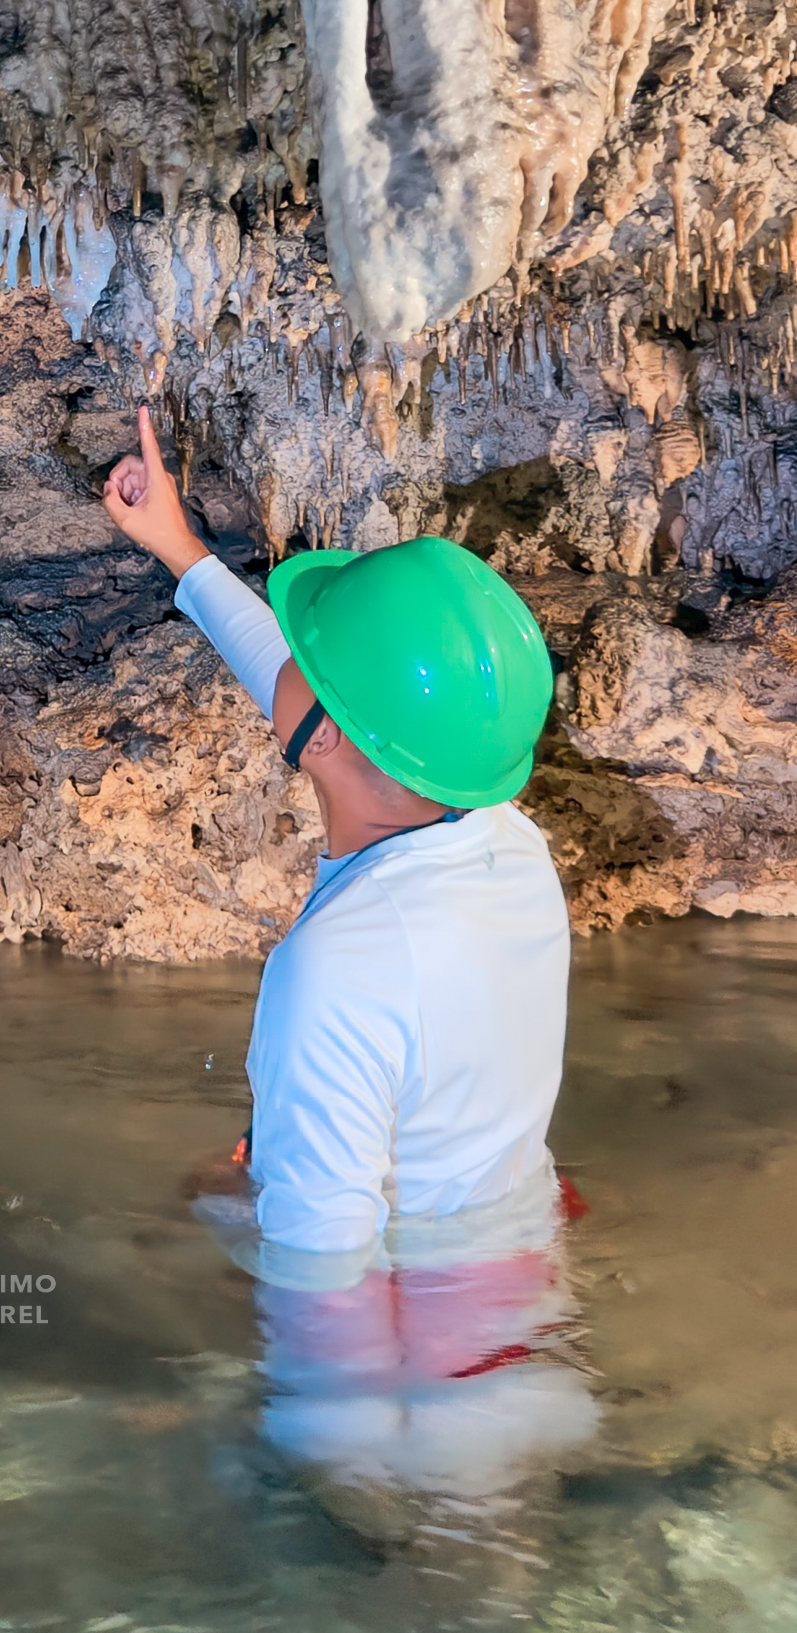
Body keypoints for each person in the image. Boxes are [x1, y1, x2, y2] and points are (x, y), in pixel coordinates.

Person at [102, 406, 572, 1294]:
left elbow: (324, 1276)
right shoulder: (513, 846)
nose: (288, 661)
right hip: (521, 1263)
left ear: (323, 734)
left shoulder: (336, 971)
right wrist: (179, 548)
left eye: (309, 661)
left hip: (423, 1334)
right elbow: (330, 709)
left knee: (196, 1198)